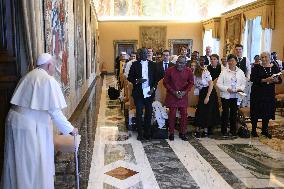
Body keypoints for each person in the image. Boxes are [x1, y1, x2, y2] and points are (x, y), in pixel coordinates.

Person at [1, 53, 78, 189]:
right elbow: (55, 112)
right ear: (49, 65)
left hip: (14, 121)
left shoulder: (28, 76)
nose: (54, 69)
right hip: (28, 128)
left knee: (16, 163)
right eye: (54, 66)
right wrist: (71, 129)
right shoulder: (48, 80)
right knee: (30, 166)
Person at [250, 52, 282, 138]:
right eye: (262, 57)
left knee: (266, 111)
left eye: (265, 57)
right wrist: (264, 80)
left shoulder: (274, 67)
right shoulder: (256, 67)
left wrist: (276, 80)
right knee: (256, 111)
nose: (264, 59)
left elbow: (280, 80)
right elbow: (252, 79)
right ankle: (253, 130)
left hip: (269, 93)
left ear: (269, 57)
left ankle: (264, 130)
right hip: (257, 92)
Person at [128, 48, 158, 140]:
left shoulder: (153, 65)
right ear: (139, 55)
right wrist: (137, 80)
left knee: (149, 113)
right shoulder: (134, 64)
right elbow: (130, 77)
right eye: (142, 53)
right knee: (139, 112)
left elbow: (156, 80)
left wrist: (153, 89)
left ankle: (147, 133)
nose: (144, 55)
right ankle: (140, 133)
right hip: (138, 93)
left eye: (145, 53)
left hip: (149, 93)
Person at [163, 56, 194, 141]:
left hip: (183, 95)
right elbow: (165, 83)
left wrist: (185, 92)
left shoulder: (189, 71)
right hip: (172, 95)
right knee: (172, 114)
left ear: (185, 64)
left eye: (182, 63)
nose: (179, 64)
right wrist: (173, 92)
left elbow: (191, 83)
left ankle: (182, 132)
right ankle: (171, 133)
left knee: (184, 114)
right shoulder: (170, 70)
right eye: (178, 62)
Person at [217, 54, 246, 136]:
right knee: (225, 113)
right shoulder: (224, 72)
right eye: (229, 61)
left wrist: (239, 89)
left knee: (234, 114)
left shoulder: (240, 72)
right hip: (226, 95)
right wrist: (227, 89)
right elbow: (218, 84)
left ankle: (233, 131)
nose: (231, 62)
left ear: (236, 62)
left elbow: (243, 84)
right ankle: (224, 130)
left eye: (233, 60)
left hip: (236, 96)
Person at [194, 56, 220, 137]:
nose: (201, 62)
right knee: (200, 110)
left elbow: (211, 84)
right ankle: (198, 129)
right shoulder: (195, 72)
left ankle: (206, 130)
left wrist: (207, 97)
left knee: (207, 111)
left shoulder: (205, 71)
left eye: (203, 61)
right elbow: (196, 85)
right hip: (202, 92)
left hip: (209, 92)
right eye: (199, 61)